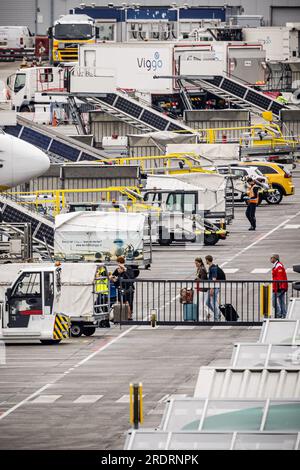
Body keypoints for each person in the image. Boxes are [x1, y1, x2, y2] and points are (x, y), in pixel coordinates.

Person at [205, 255, 222, 321]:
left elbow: (214, 279)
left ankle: (216, 317)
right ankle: (217, 314)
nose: (205, 261)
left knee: (213, 302)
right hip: (212, 287)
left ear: (207, 260)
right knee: (207, 302)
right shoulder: (210, 267)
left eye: (206, 260)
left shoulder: (213, 268)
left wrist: (212, 288)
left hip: (214, 288)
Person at [270, 254, 288, 318]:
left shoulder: (279, 266)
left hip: (279, 287)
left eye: (272, 258)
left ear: (275, 259)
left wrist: (279, 287)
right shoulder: (276, 265)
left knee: (273, 301)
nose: (270, 259)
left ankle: (279, 313)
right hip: (278, 286)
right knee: (281, 301)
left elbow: (280, 278)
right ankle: (284, 314)